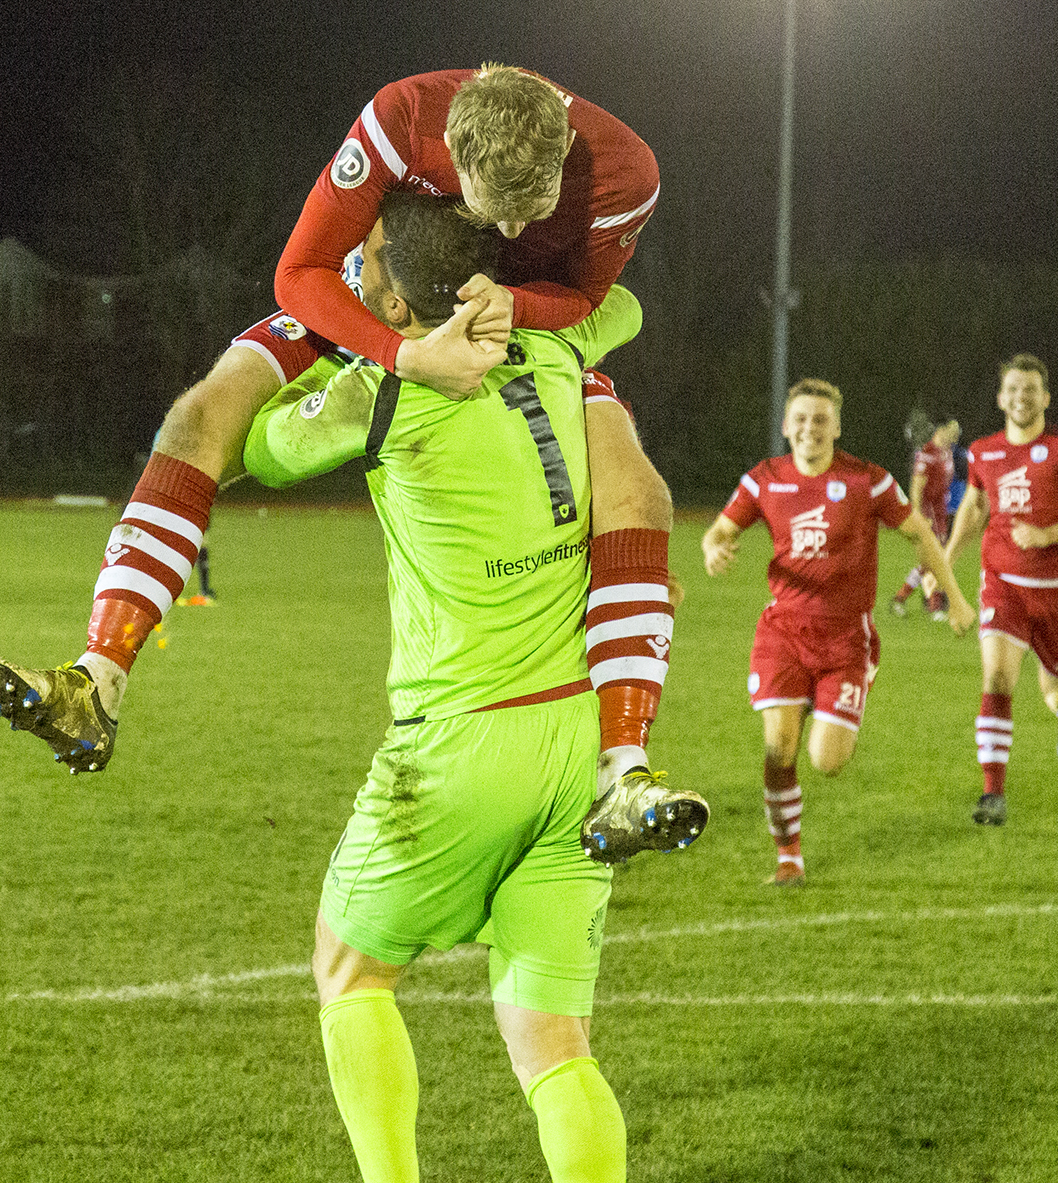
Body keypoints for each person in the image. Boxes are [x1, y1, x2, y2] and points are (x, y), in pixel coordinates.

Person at [0, 66, 678, 823]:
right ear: (451, 151)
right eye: (495, 212)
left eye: (530, 213)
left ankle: (622, 768)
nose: (512, 233)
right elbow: (299, 270)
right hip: (379, 302)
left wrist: (513, 298)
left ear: (568, 149)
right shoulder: (403, 119)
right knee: (195, 421)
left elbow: (585, 297)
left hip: (521, 322)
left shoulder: (625, 171)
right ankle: (98, 678)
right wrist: (405, 355)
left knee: (637, 495)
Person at [248, 193, 698, 1182]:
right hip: (582, 744)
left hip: (459, 741)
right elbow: (619, 307)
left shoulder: (388, 393)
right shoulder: (561, 344)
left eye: (367, 264)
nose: (355, 276)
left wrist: (327, 348)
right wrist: (522, 308)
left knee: (349, 969)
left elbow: (263, 446)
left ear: (401, 300)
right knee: (554, 1043)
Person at [701, 379, 974, 885]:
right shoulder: (764, 480)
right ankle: (788, 858)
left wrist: (954, 597)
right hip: (783, 631)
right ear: (786, 426)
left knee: (827, 760)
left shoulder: (866, 481)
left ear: (837, 427)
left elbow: (919, 532)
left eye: (820, 419)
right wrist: (714, 546)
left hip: (846, 637)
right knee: (778, 748)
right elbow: (720, 529)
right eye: (801, 419)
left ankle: (813, 700)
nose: (810, 428)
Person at [945, 354, 1058, 826]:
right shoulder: (982, 452)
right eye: (1013, 389)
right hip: (1003, 584)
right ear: (1001, 398)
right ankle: (992, 793)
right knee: (997, 679)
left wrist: (1047, 534)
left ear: (1045, 397)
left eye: (1031, 389)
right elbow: (975, 507)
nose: (1022, 397)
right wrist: (947, 562)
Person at [890, 415, 961, 621]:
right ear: (941, 430)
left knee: (932, 560)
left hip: (941, 513)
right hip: (929, 514)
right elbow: (916, 487)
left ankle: (904, 599)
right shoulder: (927, 454)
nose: (955, 434)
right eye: (952, 430)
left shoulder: (946, 453)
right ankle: (933, 604)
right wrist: (919, 516)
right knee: (935, 559)